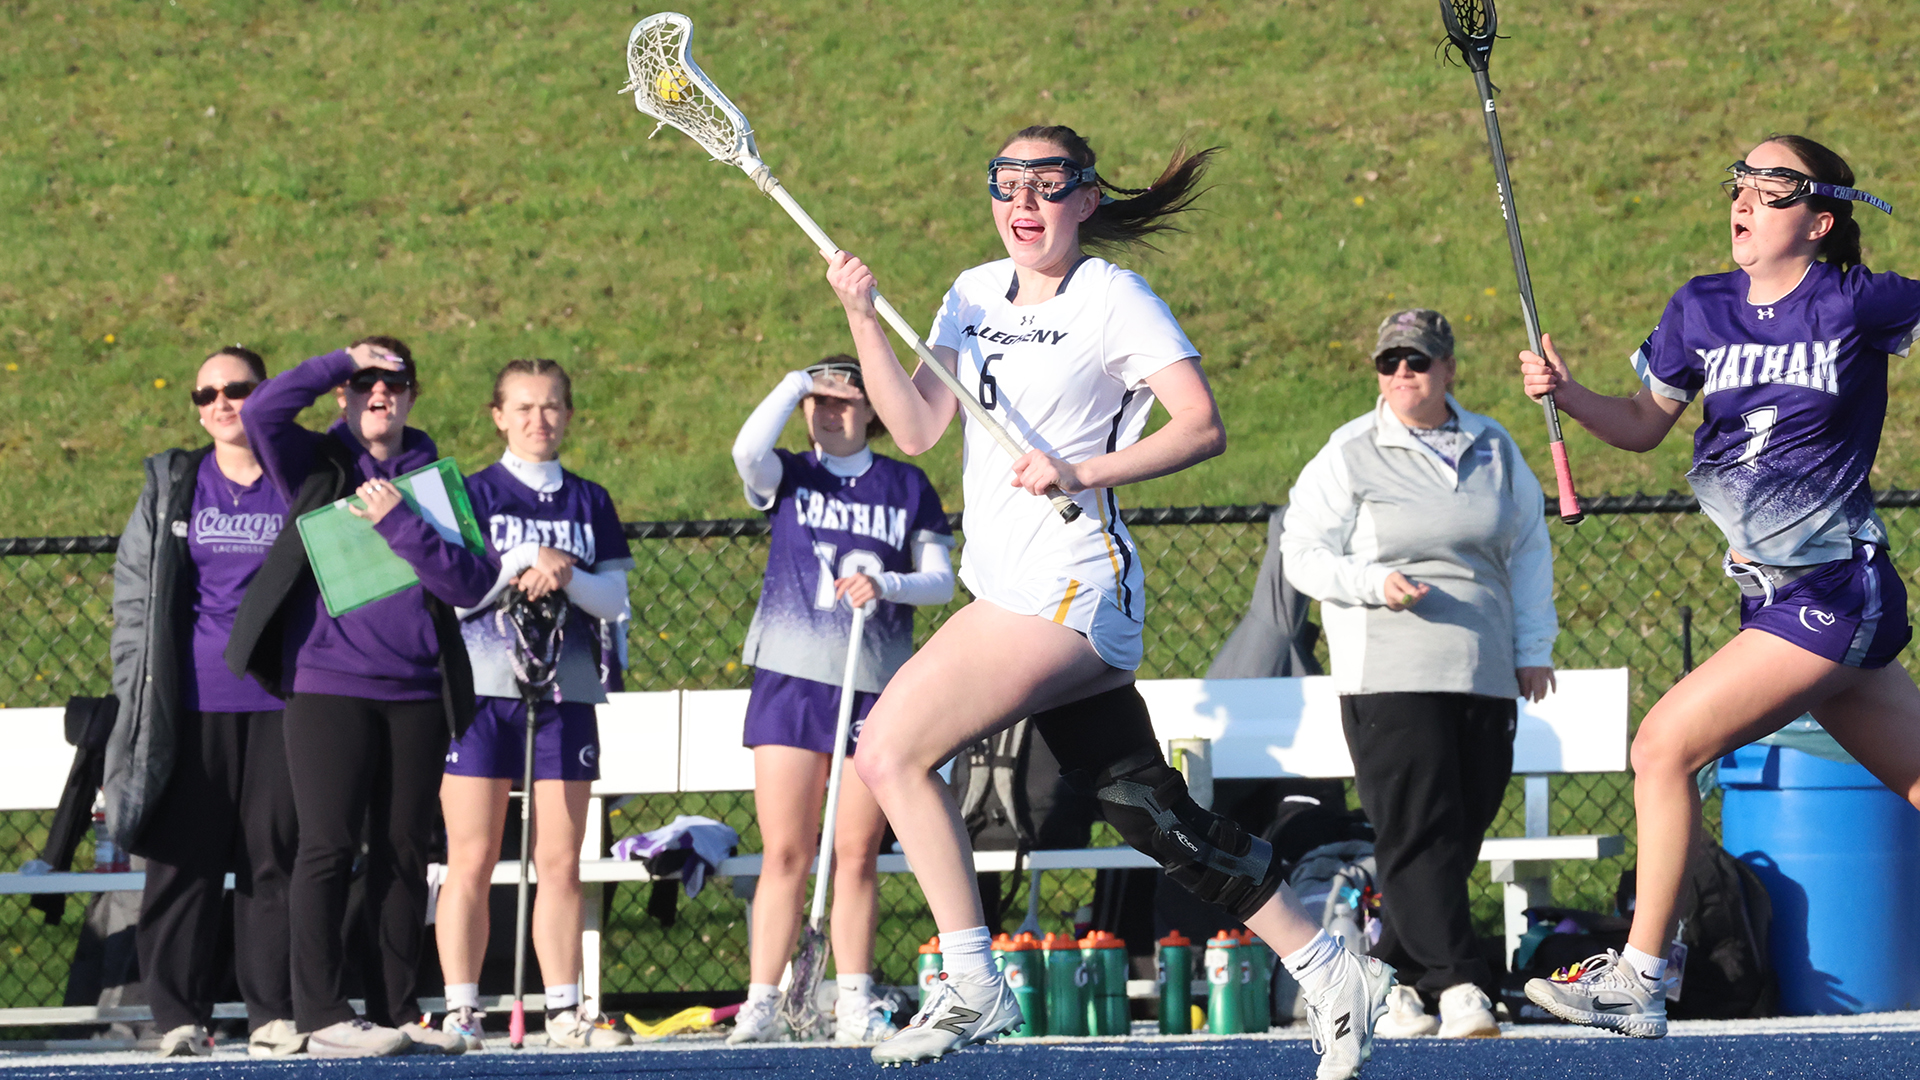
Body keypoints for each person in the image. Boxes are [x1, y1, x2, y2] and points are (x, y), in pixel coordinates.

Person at [823, 125, 1393, 1078]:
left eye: (1047, 184)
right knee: (1151, 815)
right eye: (1008, 182)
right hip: (1007, 588)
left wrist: (1080, 468)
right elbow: (917, 428)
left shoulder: (1112, 298)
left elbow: (1201, 425)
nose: (1024, 201)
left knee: (888, 749)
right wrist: (862, 320)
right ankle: (1331, 967)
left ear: (1086, 200)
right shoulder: (970, 293)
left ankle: (974, 980)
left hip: (1075, 584)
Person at [1518, 135, 1920, 1038]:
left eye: (1770, 188)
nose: (1743, 199)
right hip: (1774, 599)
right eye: (1739, 182)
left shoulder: (1856, 300)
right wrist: (1569, 394)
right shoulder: (1699, 307)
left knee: (1662, 747)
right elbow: (1640, 424)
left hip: (1834, 588)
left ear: (1819, 221)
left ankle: (1640, 975)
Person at [1281, 309, 1557, 1040]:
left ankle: (1389, 977)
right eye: (1390, 362)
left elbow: (1528, 549)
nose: (1403, 373)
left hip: (1484, 669)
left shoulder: (1495, 445)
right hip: (1389, 670)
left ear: (1449, 369)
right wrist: (1372, 583)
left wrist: (1533, 646)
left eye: (1419, 360)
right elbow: (1301, 551)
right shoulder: (1350, 451)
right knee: (1418, 827)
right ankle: (1462, 982)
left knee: (1457, 831)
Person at [226, 337, 494, 1057]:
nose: (380, 394)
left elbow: (471, 583)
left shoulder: (434, 482)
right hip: (328, 684)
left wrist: (400, 522)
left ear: (412, 396)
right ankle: (320, 1012)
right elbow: (262, 413)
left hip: (417, 689)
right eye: (365, 383)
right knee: (327, 845)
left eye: (394, 384)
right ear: (345, 395)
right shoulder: (318, 462)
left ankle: (397, 1009)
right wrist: (338, 360)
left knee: (404, 852)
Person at [725, 356, 956, 1046]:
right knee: (785, 851)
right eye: (818, 402)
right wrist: (796, 383)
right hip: (792, 678)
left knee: (855, 852)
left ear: (871, 409)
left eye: (845, 400)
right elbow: (745, 453)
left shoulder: (906, 485)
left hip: (872, 681)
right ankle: (763, 1000)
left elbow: (941, 580)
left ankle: (853, 997)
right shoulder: (792, 474)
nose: (830, 412)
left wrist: (888, 584)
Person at [104, 347, 304, 1058]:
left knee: (272, 860)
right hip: (189, 703)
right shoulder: (176, 485)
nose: (220, 402)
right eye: (205, 393)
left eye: (238, 389)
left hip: (281, 701)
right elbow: (135, 594)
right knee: (182, 861)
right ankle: (177, 1017)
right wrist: (134, 687)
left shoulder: (300, 477)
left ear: (267, 395)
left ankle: (271, 1014)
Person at [433, 359, 636, 1051]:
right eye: (522, 407)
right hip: (482, 690)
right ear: (498, 416)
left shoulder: (590, 500)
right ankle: (462, 1009)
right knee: (472, 855)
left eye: (550, 406)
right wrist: (520, 556)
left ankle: (564, 1009)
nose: (537, 419)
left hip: (566, 690)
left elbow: (614, 601)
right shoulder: (472, 494)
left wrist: (564, 571)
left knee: (560, 860)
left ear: (568, 414)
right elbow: (456, 595)